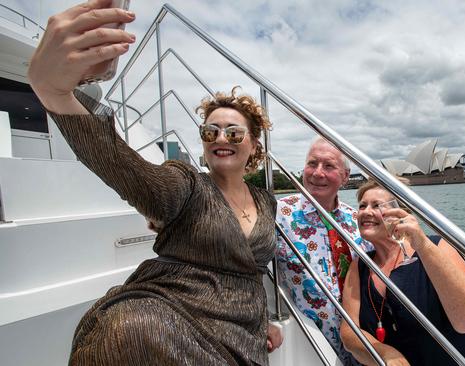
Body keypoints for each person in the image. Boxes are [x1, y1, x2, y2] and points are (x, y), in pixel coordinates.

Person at [28, 1, 281, 364]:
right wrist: (56, 94)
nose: (221, 137)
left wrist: (268, 320)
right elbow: (131, 173)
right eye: (211, 130)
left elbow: (256, 272)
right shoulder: (187, 184)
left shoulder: (266, 201)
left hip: (244, 323)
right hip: (175, 308)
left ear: (254, 144)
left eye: (233, 132)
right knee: (131, 328)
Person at [341, 180, 465, 365]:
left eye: (377, 205)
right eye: (362, 206)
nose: (365, 212)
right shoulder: (360, 266)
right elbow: (349, 331)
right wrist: (383, 353)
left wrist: (421, 243)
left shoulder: (436, 247)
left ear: (399, 213)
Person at [275, 137, 373, 363]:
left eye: (328, 166)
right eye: (312, 164)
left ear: (345, 177)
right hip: (310, 345)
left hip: (362, 341)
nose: (317, 173)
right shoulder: (278, 214)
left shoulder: (357, 220)